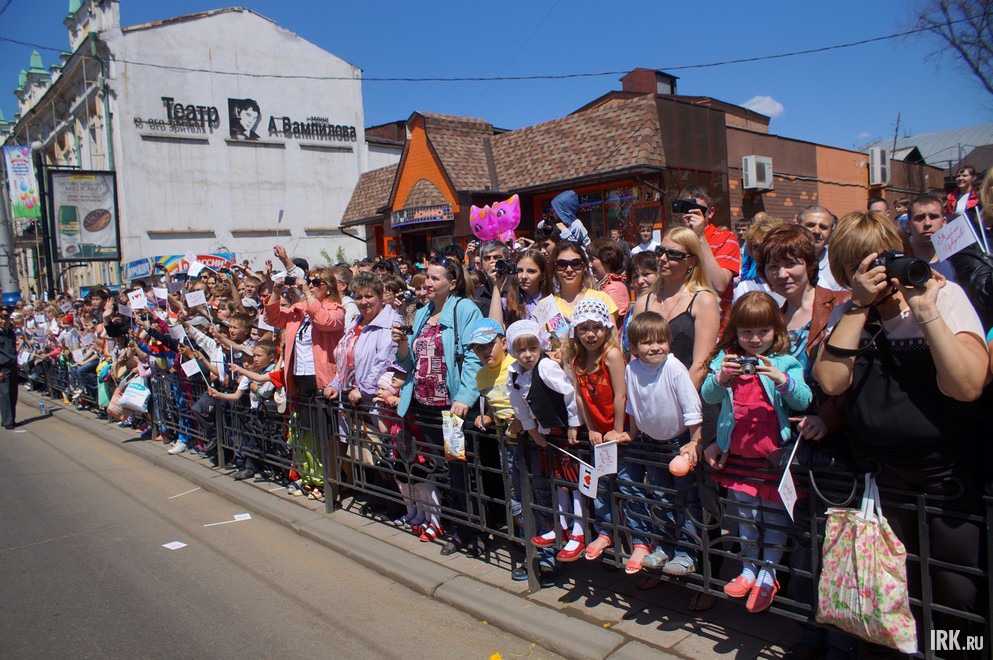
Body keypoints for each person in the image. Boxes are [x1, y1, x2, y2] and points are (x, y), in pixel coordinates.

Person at [813, 210, 989, 647]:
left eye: (881, 260)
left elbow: (967, 386)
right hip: (883, 480)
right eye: (859, 268)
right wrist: (857, 305)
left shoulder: (943, 298)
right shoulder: (846, 314)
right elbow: (833, 381)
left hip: (948, 480)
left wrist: (924, 307)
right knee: (892, 591)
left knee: (958, 595)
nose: (876, 275)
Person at [702, 291, 812, 614]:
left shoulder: (785, 362)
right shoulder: (727, 361)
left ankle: (768, 572)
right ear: (735, 331)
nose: (754, 339)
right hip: (738, 460)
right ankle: (749, 566)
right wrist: (722, 377)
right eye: (746, 331)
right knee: (744, 516)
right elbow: (709, 396)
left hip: (773, 462)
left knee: (776, 520)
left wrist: (781, 380)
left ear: (776, 332)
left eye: (762, 331)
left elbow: (804, 400)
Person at [392, 255, 483, 554]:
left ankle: (473, 531)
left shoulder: (464, 309)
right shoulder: (421, 313)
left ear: (452, 283)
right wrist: (402, 343)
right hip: (424, 405)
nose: (427, 284)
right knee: (441, 470)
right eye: (426, 277)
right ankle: (457, 528)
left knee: (459, 470)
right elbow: (408, 362)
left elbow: (473, 356)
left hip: (451, 409)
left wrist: (464, 397)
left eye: (435, 278)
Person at [621, 312, 702, 577]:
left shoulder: (673, 367)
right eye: (646, 342)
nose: (655, 347)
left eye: (660, 340)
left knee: (687, 499)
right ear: (634, 347)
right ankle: (665, 545)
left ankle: (687, 552)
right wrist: (632, 434)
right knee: (662, 497)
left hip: (678, 443)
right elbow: (633, 405)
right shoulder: (631, 369)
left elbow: (692, 407)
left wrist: (693, 442)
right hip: (650, 442)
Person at [505, 319, 581, 582]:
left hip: (563, 430)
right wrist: (533, 430)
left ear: (540, 346)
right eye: (521, 350)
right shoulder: (514, 373)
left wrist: (573, 424)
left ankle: (579, 529)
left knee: (574, 483)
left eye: (532, 348)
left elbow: (570, 393)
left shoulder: (546, 366)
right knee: (557, 483)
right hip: (547, 433)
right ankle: (561, 526)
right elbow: (519, 404)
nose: (527, 355)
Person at [561, 299, 626, 565]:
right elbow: (579, 397)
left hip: (615, 429)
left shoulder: (610, 354)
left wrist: (618, 430)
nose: (590, 334)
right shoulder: (576, 358)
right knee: (599, 484)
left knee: (624, 485)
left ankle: (634, 537)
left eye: (596, 327)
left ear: (606, 328)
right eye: (584, 328)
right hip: (597, 431)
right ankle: (605, 531)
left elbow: (621, 395)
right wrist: (589, 428)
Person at [631, 227, 719, 390]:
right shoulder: (643, 302)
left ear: (691, 261)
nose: (662, 258)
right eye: (660, 251)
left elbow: (700, 365)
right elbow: (635, 360)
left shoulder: (703, 301)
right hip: (650, 399)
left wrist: (677, 404)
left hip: (691, 399)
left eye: (673, 254)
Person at [534, 242, 618, 358]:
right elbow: (541, 348)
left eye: (575, 263)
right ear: (555, 269)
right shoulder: (545, 306)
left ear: (584, 267)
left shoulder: (601, 299)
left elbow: (613, 343)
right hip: (560, 372)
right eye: (562, 264)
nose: (569, 269)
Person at [674, 185, 740, 325]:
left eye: (696, 210)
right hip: (679, 324)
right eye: (685, 208)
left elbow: (719, 285)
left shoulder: (726, 238)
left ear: (710, 213)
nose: (690, 214)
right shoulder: (674, 241)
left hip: (715, 326)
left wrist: (700, 237)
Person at [796, 205, 844, 292]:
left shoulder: (840, 264)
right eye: (810, 225)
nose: (817, 231)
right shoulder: (783, 261)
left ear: (831, 231)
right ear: (797, 226)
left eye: (823, 227)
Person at [588, 237, 630, 324]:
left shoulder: (614, 288)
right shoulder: (605, 283)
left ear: (606, 259)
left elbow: (607, 322)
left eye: (592, 259)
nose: (590, 264)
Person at [0, 309, 19, 429]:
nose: (3, 321)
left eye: (6, 318)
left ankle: (11, 418)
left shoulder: (10, 332)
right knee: (4, 394)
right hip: (3, 367)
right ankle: (7, 421)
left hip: (12, 365)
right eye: (1, 319)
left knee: (13, 394)